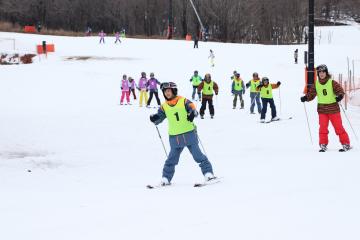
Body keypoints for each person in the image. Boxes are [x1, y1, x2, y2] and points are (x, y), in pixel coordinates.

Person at [149, 82, 216, 186]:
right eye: (165, 91)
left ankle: (208, 174)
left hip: (189, 134)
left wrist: (192, 113)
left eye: (168, 91)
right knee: (171, 159)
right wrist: (155, 118)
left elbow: (193, 109)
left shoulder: (183, 101)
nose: (167, 93)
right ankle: (166, 178)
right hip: (175, 137)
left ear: (174, 91)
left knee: (198, 155)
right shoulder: (164, 106)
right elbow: (159, 117)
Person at [300, 64, 351, 152]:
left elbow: (340, 91)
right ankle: (323, 144)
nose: (322, 74)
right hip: (322, 110)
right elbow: (311, 94)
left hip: (333, 109)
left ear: (326, 73)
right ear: (318, 74)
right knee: (323, 128)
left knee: (338, 127)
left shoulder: (332, 82)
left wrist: (339, 96)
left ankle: (345, 143)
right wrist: (306, 98)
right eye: (320, 72)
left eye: (323, 72)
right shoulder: (316, 84)